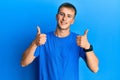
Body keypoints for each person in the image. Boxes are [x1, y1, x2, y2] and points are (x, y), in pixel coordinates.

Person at [21, 2, 99, 80]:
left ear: (72, 21)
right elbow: (23, 63)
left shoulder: (78, 40)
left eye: (69, 16)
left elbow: (95, 69)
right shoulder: (42, 39)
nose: (64, 18)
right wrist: (34, 43)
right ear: (56, 16)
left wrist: (87, 47)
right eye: (62, 14)